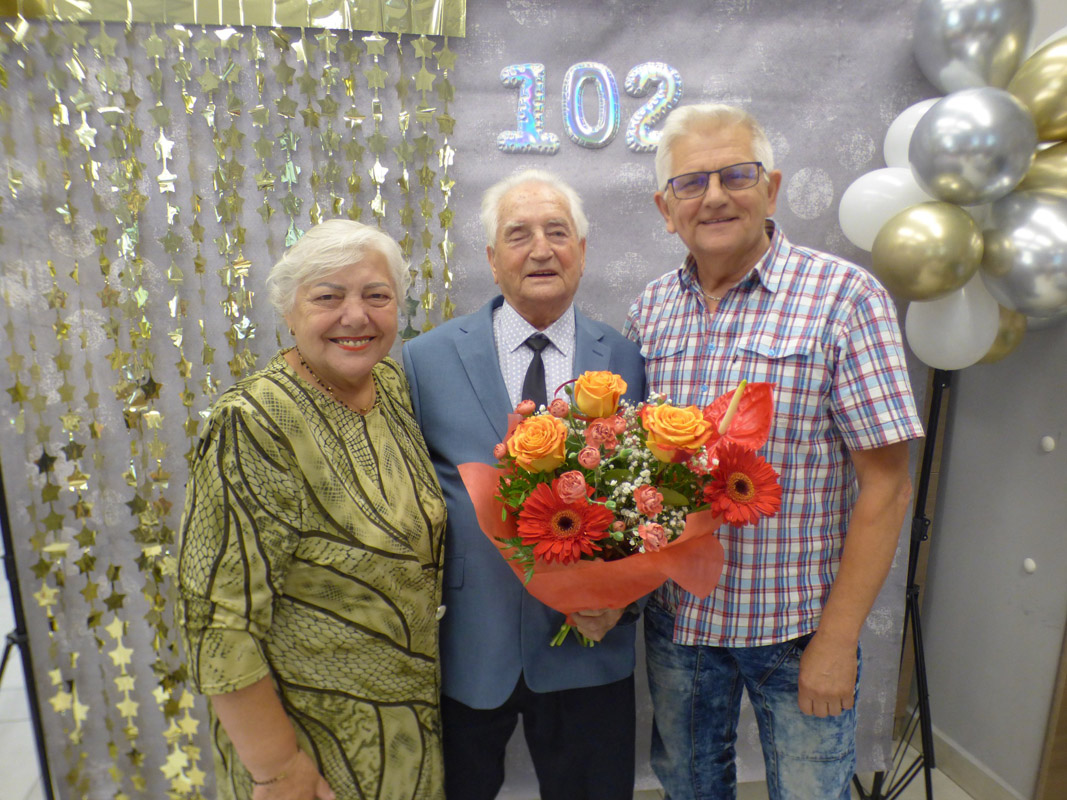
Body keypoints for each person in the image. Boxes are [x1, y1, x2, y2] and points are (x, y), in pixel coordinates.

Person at [624, 104, 925, 800]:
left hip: (797, 629)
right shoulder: (649, 312)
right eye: (691, 182)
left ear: (772, 188)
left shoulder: (844, 299)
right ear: (666, 209)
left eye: (736, 174)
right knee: (688, 787)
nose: (714, 196)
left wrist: (837, 641)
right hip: (679, 624)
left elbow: (887, 488)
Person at [177, 219, 447, 800]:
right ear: (288, 309)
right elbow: (217, 620)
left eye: (376, 295)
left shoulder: (390, 387)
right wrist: (277, 770)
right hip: (311, 750)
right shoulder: (253, 423)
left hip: (410, 734)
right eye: (328, 297)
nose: (356, 316)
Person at [402, 169, 646, 800]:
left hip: (589, 643)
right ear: (492, 258)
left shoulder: (625, 357)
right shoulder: (424, 359)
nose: (541, 249)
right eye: (519, 235)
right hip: (468, 645)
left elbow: (652, 500)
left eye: (557, 232)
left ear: (582, 251)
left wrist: (624, 600)